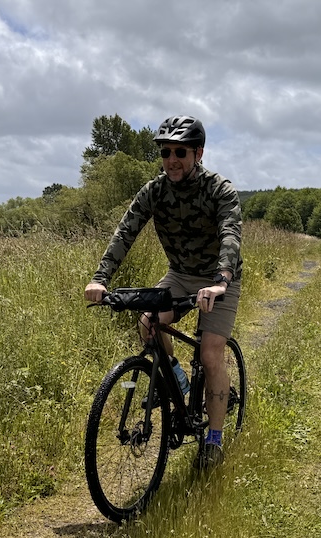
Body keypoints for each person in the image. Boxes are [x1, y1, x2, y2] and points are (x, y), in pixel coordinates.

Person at [84, 115, 242, 470]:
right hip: (180, 275)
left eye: (180, 152)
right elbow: (125, 232)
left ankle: (213, 441)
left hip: (218, 279)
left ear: (198, 153)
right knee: (148, 324)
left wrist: (221, 279)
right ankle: (176, 378)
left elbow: (230, 233)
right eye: (166, 152)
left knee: (210, 354)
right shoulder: (154, 191)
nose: (172, 160)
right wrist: (100, 278)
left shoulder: (219, 190)